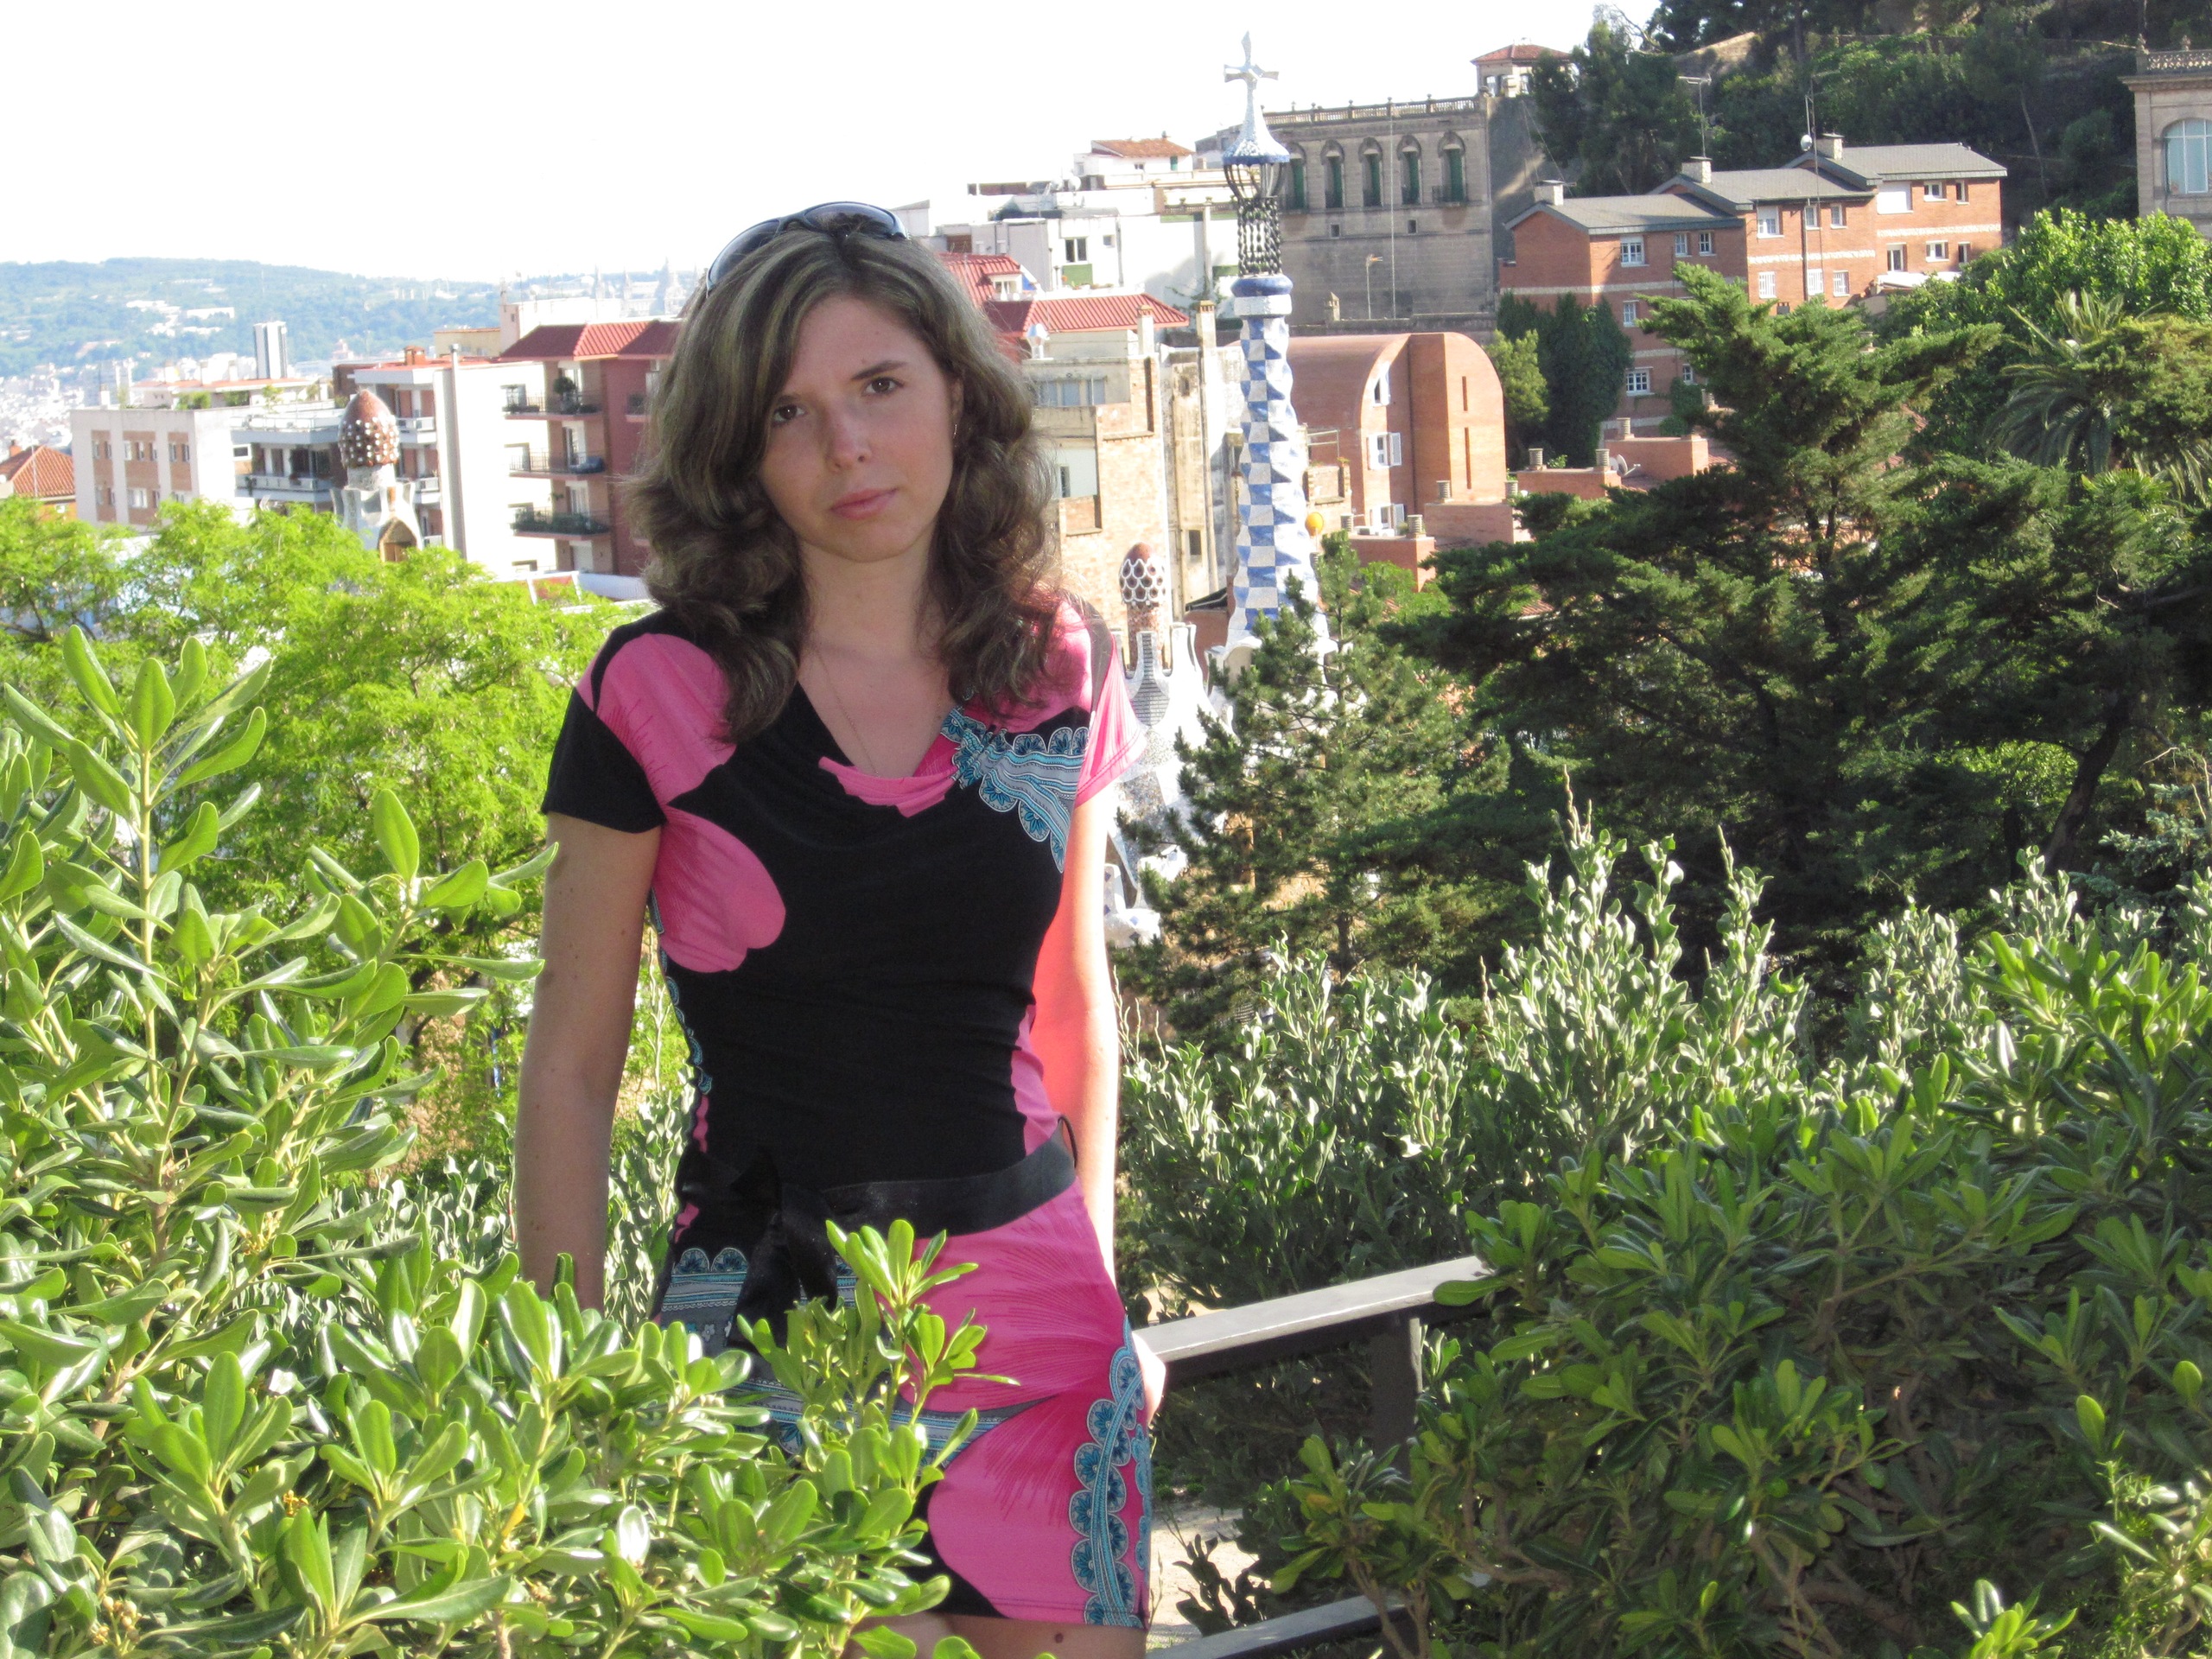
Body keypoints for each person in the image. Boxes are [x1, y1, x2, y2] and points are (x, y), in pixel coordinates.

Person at [514, 203, 1163, 1659]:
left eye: (879, 387)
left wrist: (1107, 1295)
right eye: (789, 413)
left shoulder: (1060, 668)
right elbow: (570, 1065)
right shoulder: (652, 696)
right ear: (738, 454)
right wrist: (566, 1393)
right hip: (761, 1326)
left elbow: (1073, 1009)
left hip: (1042, 1328)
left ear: (959, 396)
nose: (847, 448)